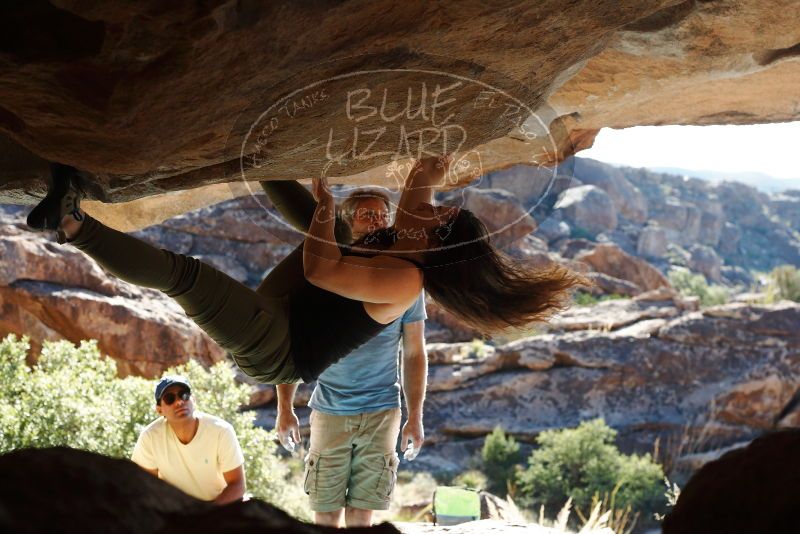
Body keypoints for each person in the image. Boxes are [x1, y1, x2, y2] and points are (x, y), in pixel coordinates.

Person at [26, 156, 585, 385]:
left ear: (436, 240)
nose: (437, 205)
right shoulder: (402, 240)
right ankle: (255, 160)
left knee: (187, 276)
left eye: (444, 214)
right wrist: (433, 163)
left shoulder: (404, 279)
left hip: (279, 350)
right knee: (340, 228)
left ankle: (71, 224)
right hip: (288, 313)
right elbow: (418, 191)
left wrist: (321, 212)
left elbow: (320, 270)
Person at [276, 189, 428, 527]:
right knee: (326, 512)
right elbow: (293, 345)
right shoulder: (328, 274)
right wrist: (284, 408)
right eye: (367, 215)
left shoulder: (401, 277)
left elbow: (415, 352)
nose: (377, 221)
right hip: (331, 409)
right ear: (346, 222)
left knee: (363, 514)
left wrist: (415, 415)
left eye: (382, 215)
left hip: (382, 410)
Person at [131, 375, 246, 504]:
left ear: (194, 400)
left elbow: (237, 485)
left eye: (184, 395)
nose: (179, 402)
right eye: (169, 399)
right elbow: (144, 486)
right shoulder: (150, 437)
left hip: (218, 506)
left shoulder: (221, 431)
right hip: (177, 511)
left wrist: (208, 515)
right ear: (159, 410)